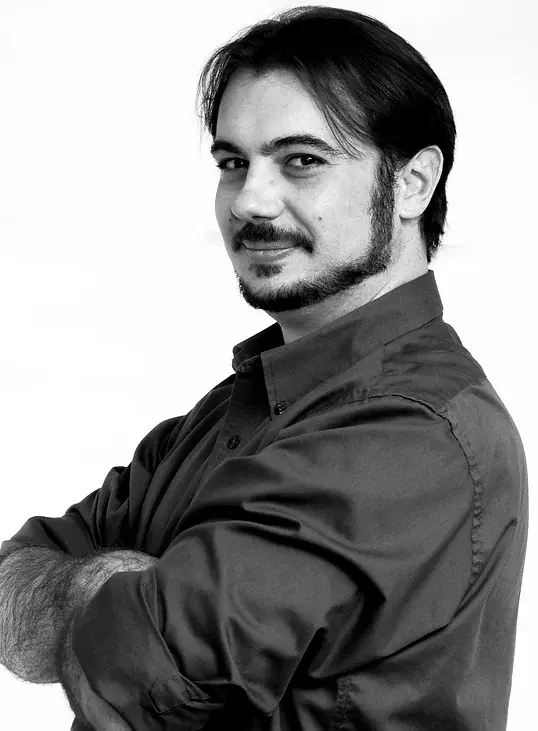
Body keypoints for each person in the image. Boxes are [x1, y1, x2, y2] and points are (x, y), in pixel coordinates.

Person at [0, 6, 528, 730]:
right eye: (233, 163)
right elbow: (15, 577)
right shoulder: (226, 412)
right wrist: (109, 591)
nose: (250, 199)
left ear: (413, 183)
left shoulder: (411, 434)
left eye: (302, 160)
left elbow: (141, 673)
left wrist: (95, 594)